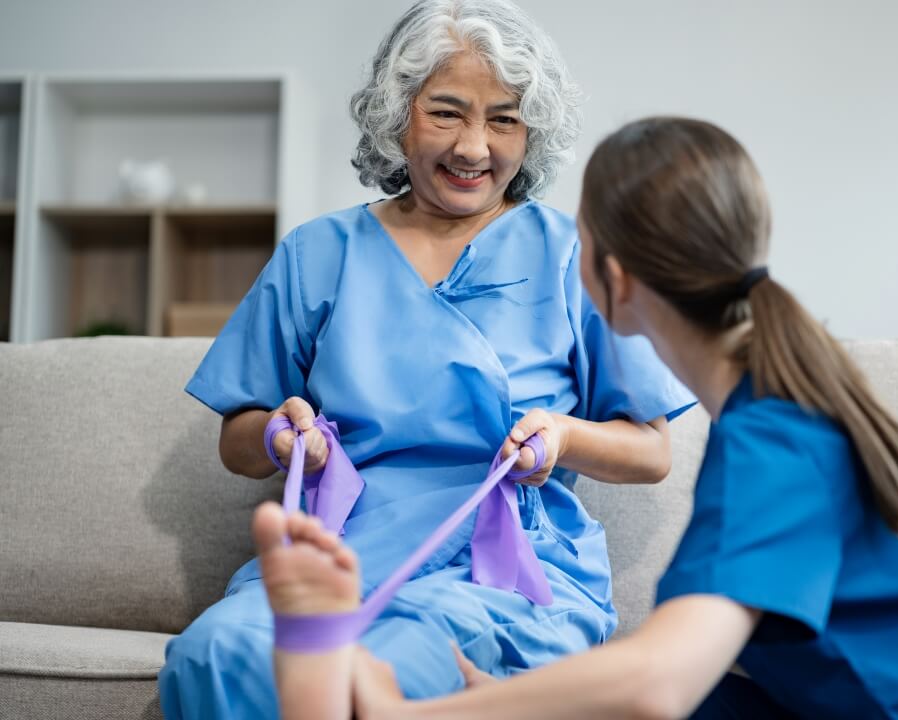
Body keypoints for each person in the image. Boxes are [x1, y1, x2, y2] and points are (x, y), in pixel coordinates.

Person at [256, 116, 898, 719]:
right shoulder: (773, 408)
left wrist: (418, 716)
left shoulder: (779, 441)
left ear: (612, 280)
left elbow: (659, 682)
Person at [157, 1, 694, 716]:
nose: (474, 147)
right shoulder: (319, 254)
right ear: (396, 115)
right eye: (446, 113)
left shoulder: (572, 254)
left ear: (531, 132)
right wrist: (281, 437)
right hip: (343, 551)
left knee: (391, 665)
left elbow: (653, 450)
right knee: (213, 654)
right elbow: (239, 442)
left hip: (500, 570)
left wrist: (563, 437)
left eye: (504, 119)